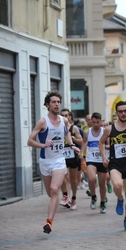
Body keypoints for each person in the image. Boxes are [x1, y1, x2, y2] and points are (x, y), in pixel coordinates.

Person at [27, 91, 80, 234]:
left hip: (59, 160)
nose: (57, 104)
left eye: (58, 102)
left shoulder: (64, 120)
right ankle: (56, 203)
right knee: (51, 194)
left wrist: (71, 145)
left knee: (55, 189)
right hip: (45, 161)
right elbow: (30, 141)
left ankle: (49, 222)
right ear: (47, 104)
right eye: (54, 102)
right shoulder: (43, 121)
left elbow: (66, 133)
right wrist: (43, 145)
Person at [99, 101, 126, 231]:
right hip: (115, 164)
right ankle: (119, 198)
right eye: (121, 111)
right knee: (117, 185)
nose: (124, 114)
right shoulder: (109, 129)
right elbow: (100, 143)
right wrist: (104, 157)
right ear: (117, 113)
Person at [80, 112, 109, 213]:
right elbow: (84, 141)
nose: (96, 124)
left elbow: (109, 144)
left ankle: (102, 202)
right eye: (94, 122)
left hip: (102, 160)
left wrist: (104, 150)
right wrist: (81, 152)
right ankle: (93, 196)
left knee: (102, 183)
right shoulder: (87, 132)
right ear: (91, 122)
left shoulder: (105, 131)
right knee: (91, 178)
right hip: (91, 159)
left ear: (101, 121)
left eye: (98, 122)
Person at [60, 108, 83, 210]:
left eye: (66, 115)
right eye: (62, 115)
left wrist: (72, 139)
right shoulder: (57, 127)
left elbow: (81, 141)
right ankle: (66, 197)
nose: (64, 117)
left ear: (70, 117)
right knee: (63, 178)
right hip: (61, 156)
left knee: (73, 179)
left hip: (72, 156)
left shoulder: (74, 128)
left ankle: (73, 197)